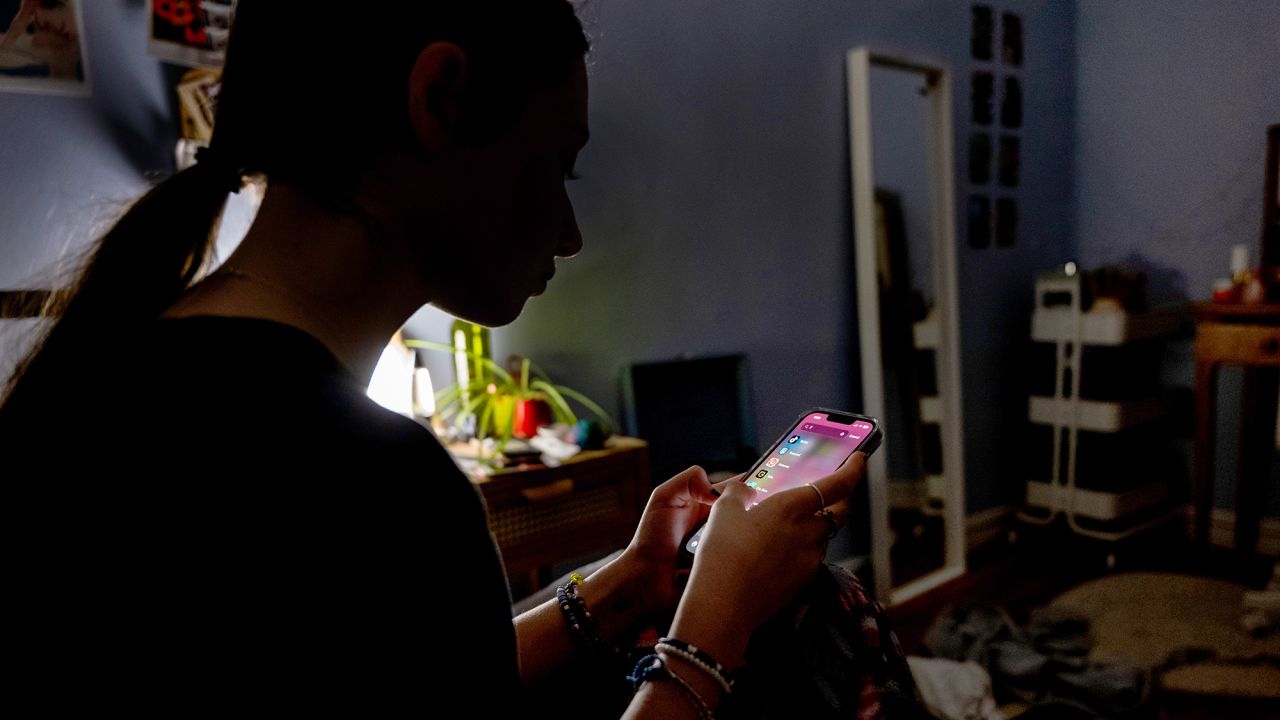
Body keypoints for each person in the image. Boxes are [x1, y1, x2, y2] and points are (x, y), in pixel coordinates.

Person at [0, 2, 883, 716]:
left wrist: (625, 588)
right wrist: (716, 621)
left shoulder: (88, 386)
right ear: (441, 98)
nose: (571, 235)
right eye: (559, 167)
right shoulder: (367, 483)